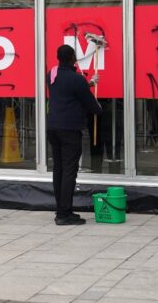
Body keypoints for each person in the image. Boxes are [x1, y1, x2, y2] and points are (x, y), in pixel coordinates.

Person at [47, 44, 102, 226]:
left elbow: (68, 89)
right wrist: (98, 107)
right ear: (73, 58)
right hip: (69, 131)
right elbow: (89, 104)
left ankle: (60, 210)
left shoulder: (52, 75)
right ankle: (65, 214)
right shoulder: (76, 79)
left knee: (59, 169)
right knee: (70, 171)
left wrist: (90, 83)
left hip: (53, 129)